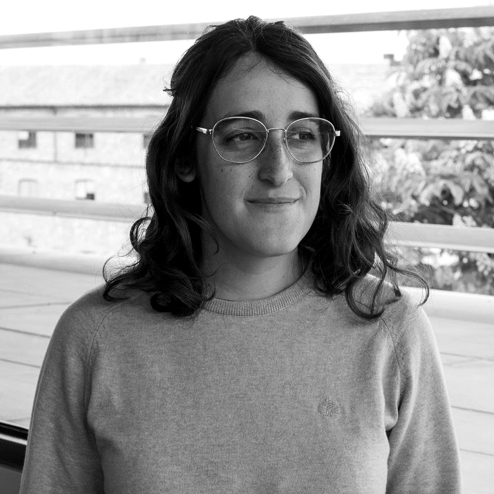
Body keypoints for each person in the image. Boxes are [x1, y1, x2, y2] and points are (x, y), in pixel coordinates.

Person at [20, 16, 462, 493]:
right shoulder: (93, 339)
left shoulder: (392, 333)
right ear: (185, 159)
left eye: (302, 134)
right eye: (243, 136)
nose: (278, 170)